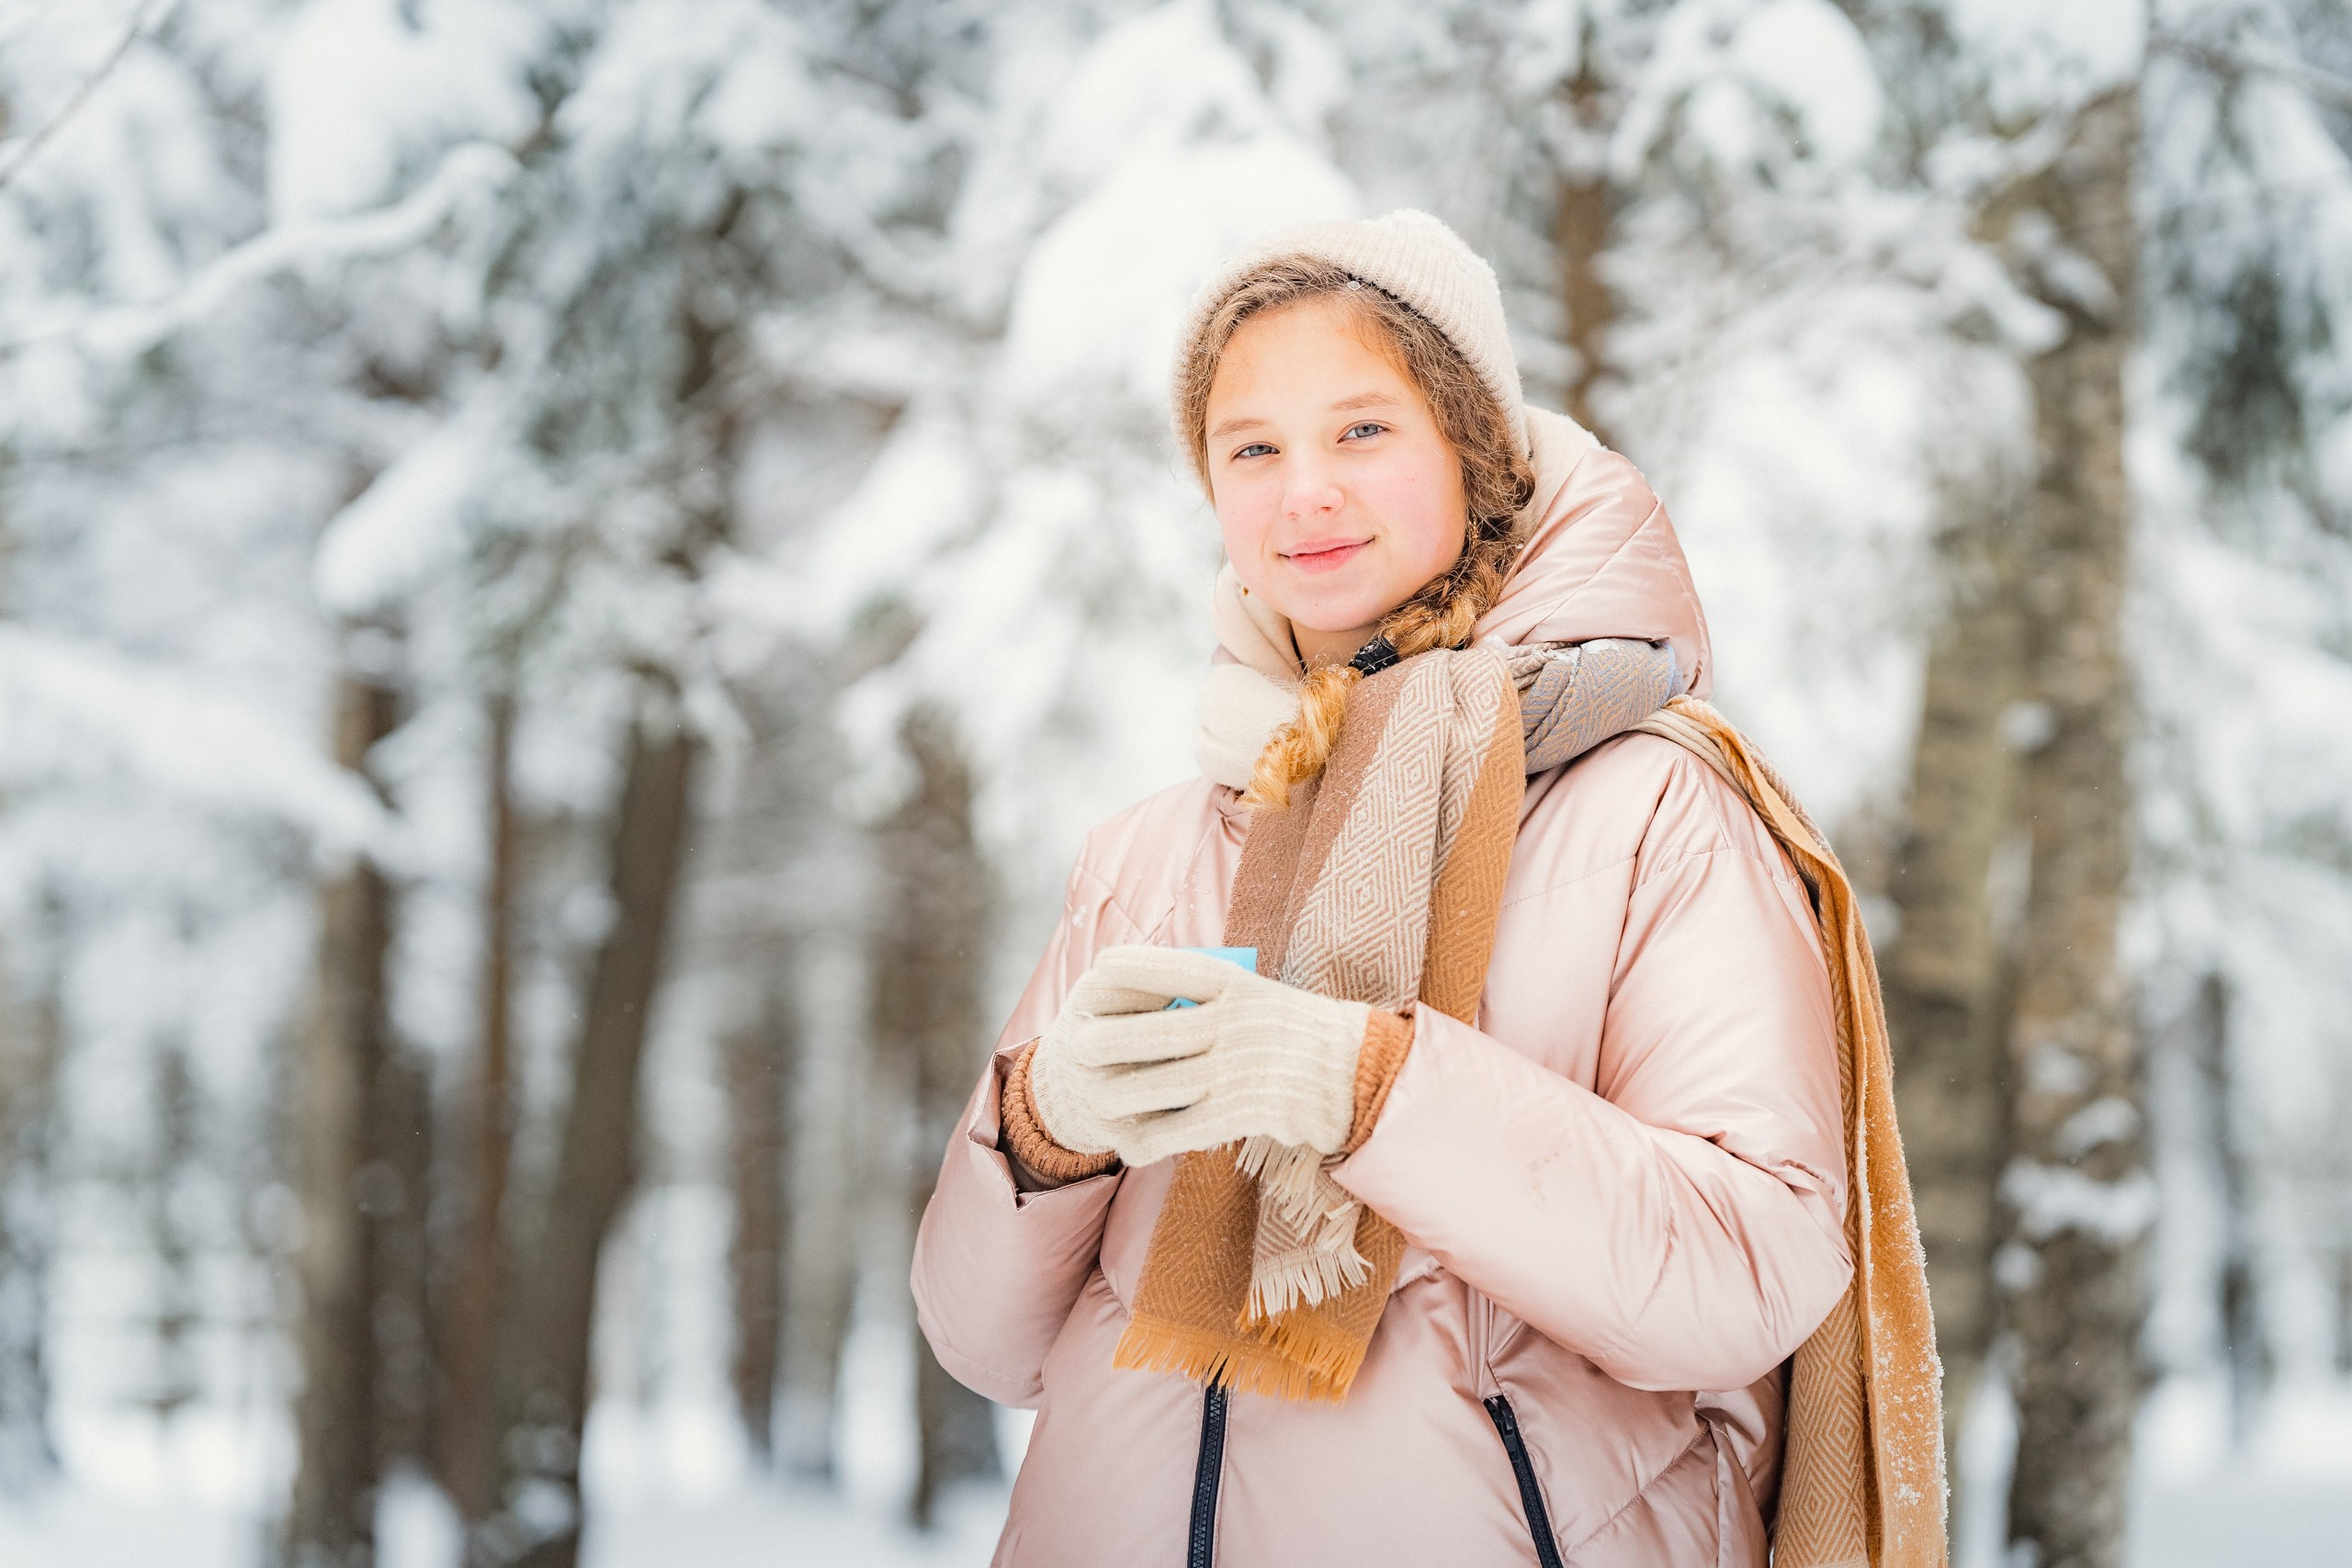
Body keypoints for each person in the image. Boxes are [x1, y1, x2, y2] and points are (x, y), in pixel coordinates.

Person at [912, 210, 1932, 1567]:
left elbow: (1747, 1274)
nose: (1304, 491)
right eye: (1253, 448)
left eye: (1362, 431)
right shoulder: (1149, 851)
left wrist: (1369, 1088)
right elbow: (988, 1345)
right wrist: (1043, 1131)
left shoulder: (1651, 810)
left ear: (1476, 449)